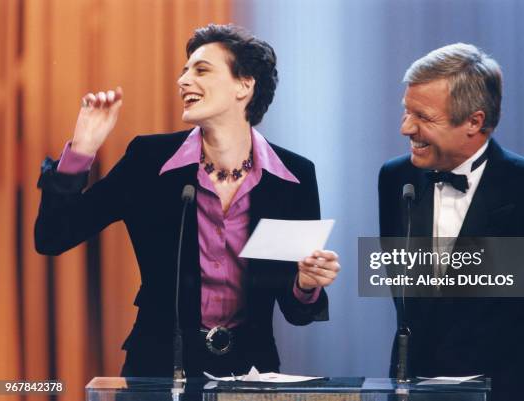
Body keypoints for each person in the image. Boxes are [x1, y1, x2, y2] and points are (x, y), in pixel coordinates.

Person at [35, 24, 340, 377]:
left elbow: (297, 312)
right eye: (184, 70)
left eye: (201, 70)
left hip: (250, 372)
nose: (182, 81)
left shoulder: (294, 177)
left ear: (245, 85)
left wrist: (306, 284)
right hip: (157, 368)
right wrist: (82, 151)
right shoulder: (149, 161)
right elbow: (53, 237)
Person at [378, 43, 524, 401]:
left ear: (474, 121)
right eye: (406, 111)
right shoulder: (395, 178)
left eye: (423, 117)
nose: (406, 127)